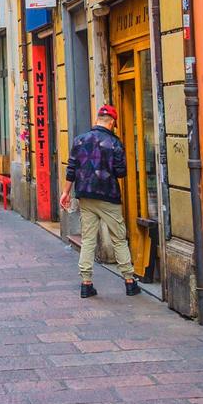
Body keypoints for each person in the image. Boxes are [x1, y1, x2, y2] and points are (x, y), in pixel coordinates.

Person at [60, 104, 139, 298]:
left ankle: (86, 283)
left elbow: (71, 170)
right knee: (119, 238)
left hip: (85, 195)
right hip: (108, 197)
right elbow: (121, 172)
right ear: (112, 122)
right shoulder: (114, 143)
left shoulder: (79, 141)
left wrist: (65, 193)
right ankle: (129, 281)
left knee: (88, 239)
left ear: (97, 120)